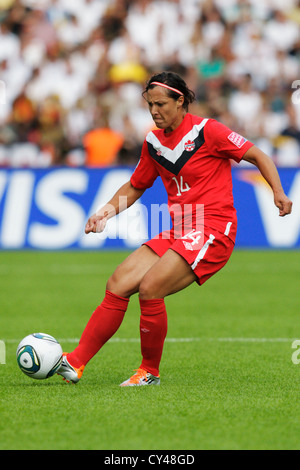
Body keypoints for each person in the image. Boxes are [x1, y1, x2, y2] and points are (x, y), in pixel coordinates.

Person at [57, 71, 293, 386]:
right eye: (150, 105)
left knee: (151, 287)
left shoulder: (208, 131)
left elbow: (257, 155)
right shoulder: (153, 141)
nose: (154, 111)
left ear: (180, 100)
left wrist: (278, 191)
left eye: (161, 104)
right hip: (180, 229)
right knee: (118, 281)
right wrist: (106, 212)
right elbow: (136, 185)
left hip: (213, 228)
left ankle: (148, 372)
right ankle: (74, 363)